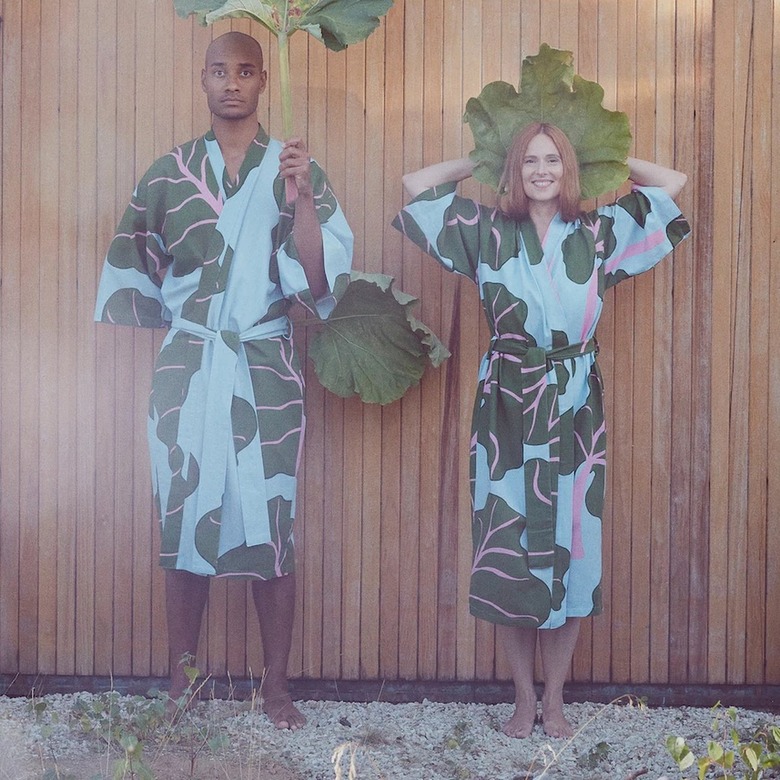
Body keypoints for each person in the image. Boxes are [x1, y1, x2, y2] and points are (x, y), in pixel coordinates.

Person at [394, 122, 689, 739]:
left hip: (575, 409)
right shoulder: (485, 232)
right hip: (506, 407)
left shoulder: (599, 232)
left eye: (553, 159)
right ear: (514, 170)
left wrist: (605, 157)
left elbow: (672, 184)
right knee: (508, 548)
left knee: (573, 551)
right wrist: (482, 159)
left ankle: (555, 700)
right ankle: (522, 698)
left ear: (569, 167)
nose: (541, 171)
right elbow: (416, 186)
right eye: (529, 160)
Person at [94, 31, 353, 730]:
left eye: (244, 71)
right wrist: (191, 324)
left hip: (266, 367)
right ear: (202, 80)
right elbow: (134, 270)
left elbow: (319, 281)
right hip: (189, 368)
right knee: (183, 519)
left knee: (274, 523)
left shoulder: (293, 169)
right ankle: (181, 681)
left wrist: (302, 197)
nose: (231, 83)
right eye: (219, 71)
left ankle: (277, 688)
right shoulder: (169, 173)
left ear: (264, 80)